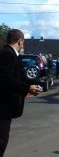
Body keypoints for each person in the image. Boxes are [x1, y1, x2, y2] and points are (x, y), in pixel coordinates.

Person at [0, 29, 42, 157]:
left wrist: (25, 90)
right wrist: (27, 89)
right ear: (20, 41)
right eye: (23, 42)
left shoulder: (7, 53)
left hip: (4, 107)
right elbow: (6, 80)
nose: (23, 44)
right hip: (3, 108)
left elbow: (13, 79)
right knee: (1, 141)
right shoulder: (8, 54)